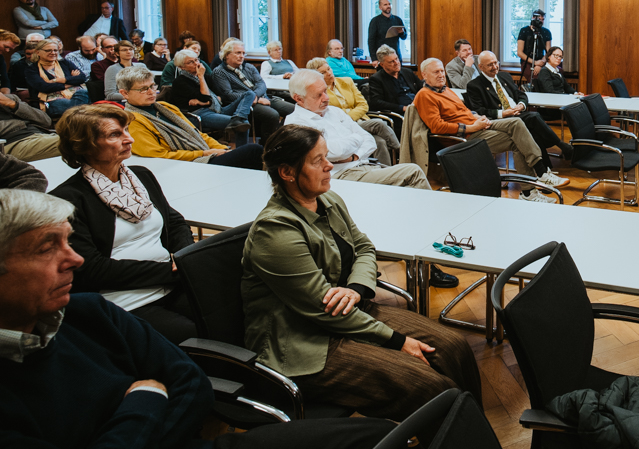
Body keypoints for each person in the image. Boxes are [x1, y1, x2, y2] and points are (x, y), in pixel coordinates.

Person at [0, 188, 397, 449]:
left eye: (68, 242)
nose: (75, 259)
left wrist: (131, 424)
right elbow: (174, 390)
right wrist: (148, 397)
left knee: (378, 436)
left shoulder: (90, 313)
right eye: (46, 249)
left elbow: (193, 384)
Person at [242, 124, 482, 420]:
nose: (330, 165)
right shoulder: (274, 230)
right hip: (304, 344)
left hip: (348, 314)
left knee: (454, 346)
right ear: (287, 173)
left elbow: (365, 248)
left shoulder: (328, 200)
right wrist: (397, 341)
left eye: (326, 156)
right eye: (318, 161)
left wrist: (356, 289)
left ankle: (474, 430)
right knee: (428, 385)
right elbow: (322, 310)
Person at [48, 105, 197, 343]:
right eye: (115, 135)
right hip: (123, 298)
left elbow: (174, 221)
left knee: (229, 309)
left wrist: (185, 257)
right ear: (85, 145)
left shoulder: (141, 176)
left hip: (171, 279)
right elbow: (92, 269)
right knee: (189, 334)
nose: (130, 139)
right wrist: (170, 271)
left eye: (126, 130)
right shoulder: (69, 199)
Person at [413, 58, 567, 202]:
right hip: (465, 137)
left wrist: (478, 117)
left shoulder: (446, 90)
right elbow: (437, 126)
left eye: (442, 71)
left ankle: (537, 178)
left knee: (517, 123)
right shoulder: (425, 95)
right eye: (436, 72)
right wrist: (472, 126)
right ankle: (533, 185)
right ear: (424, 75)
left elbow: (466, 111)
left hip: (477, 125)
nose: (441, 75)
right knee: (519, 141)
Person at [285, 68, 427, 186]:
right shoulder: (296, 124)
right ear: (298, 98)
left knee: (407, 186)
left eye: (325, 91)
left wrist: (354, 156)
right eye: (318, 95)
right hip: (339, 175)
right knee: (413, 173)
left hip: (362, 165)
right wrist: (356, 138)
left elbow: (369, 140)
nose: (326, 98)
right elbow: (335, 152)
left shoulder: (334, 111)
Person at [119, 67, 263, 170]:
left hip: (202, 155)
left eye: (152, 86)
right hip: (185, 165)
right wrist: (204, 153)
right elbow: (158, 156)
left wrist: (222, 148)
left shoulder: (166, 107)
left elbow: (197, 133)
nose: (152, 92)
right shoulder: (132, 121)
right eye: (144, 89)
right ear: (124, 93)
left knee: (254, 156)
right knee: (254, 151)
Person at [466, 50, 572, 162]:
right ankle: (561, 145)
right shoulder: (475, 85)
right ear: (480, 67)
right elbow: (479, 110)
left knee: (534, 134)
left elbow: (521, 94)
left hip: (519, 113)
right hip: (502, 120)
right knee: (534, 117)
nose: (495, 67)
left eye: (496, 62)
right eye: (490, 65)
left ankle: (545, 169)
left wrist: (521, 105)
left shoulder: (504, 76)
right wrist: (503, 113)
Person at [309, 57, 400, 164]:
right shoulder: (320, 92)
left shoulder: (346, 81)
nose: (329, 73)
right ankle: (400, 151)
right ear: (316, 76)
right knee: (379, 124)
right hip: (342, 125)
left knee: (379, 141)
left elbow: (363, 104)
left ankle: (385, 172)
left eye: (329, 69)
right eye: (323, 72)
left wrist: (349, 116)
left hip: (360, 120)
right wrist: (346, 120)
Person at [210, 39, 295, 137]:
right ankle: (266, 145)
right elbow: (229, 95)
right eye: (238, 53)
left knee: (293, 110)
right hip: (243, 104)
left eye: (243, 53)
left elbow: (261, 84)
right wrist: (257, 99)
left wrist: (256, 96)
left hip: (263, 97)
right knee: (272, 115)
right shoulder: (219, 72)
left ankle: (280, 137)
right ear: (227, 54)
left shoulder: (248, 67)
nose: (242, 56)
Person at [163, 49, 253, 134]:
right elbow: (205, 97)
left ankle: (239, 117)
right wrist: (201, 78)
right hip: (198, 114)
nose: (196, 64)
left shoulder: (206, 77)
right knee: (242, 124)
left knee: (250, 94)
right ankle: (239, 128)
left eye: (196, 60)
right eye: (191, 62)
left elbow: (223, 96)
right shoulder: (180, 82)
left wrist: (205, 102)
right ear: (181, 67)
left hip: (217, 108)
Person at [27, 39, 90, 117]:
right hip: (52, 100)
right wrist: (71, 82)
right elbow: (44, 87)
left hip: (77, 95)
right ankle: (78, 116)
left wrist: (59, 80)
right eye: (48, 50)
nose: (53, 53)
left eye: (55, 50)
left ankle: (76, 116)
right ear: (38, 52)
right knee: (71, 105)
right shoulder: (32, 69)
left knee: (83, 93)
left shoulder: (65, 63)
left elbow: (82, 78)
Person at [0, 88, 60, 161]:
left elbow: (46, 121)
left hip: (41, 136)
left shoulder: (10, 99)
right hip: (13, 144)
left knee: (74, 135)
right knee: (72, 141)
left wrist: (13, 105)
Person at [367, 45, 422, 113]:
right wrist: (402, 108)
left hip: (417, 106)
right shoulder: (377, 79)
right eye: (391, 62)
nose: (396, 63)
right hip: (400, 112)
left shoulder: (407, 72)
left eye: (396, 59)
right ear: (382, 65)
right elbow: (376, 102)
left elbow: (421, 88)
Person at [516, 8, 551, 81]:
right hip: (527, 62)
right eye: (539, 19)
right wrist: (534, 62)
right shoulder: (524, 31)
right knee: (535, 76)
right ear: (533, 19)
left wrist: (541, 63)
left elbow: (548, 52)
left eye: (543, 19)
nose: (541, 21)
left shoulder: (546, 32)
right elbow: (519, 52)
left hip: (542, 61)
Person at [88, 34, 120, 100]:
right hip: (111, 95)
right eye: (109, 47)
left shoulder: (130, 60)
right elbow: (106, 82)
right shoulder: (97, 65)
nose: (113, 49)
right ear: (102, 49)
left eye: (115, 46)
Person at [0, 29, 18, 93]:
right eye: (5, 46)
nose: (7, 51)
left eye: (10, 49)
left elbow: (4, 79)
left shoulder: (0, 58)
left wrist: (6, 95)